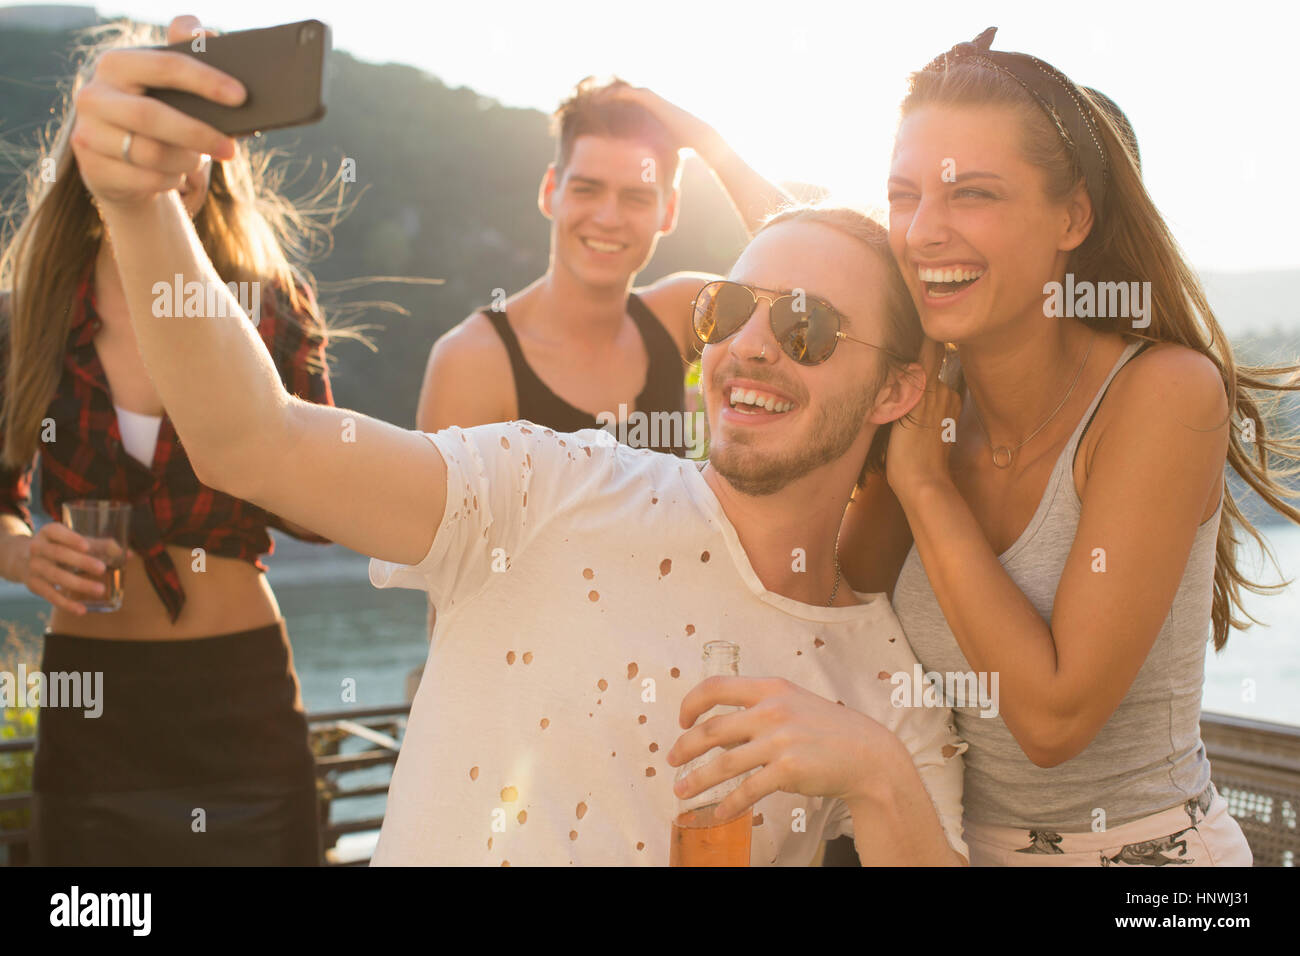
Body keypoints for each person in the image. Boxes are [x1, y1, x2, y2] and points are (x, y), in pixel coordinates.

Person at [75, 16, 969, 864]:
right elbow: (253, 442)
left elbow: (827, 254)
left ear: (898, 389)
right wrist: (140, 202)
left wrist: (877, 779)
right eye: (729, 309)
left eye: (809, 326)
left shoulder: (887, 693)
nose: (753, 345)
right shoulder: (544, 483)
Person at [842, 27, 1297, 865]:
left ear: (1073, 215)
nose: (921, 232)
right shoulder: (930, 405)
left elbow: (1054, 720)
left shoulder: (1164, 393)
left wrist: (928, 490)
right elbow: (843, 593)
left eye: (972, 194)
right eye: (905, 196)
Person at [0, 19, 342, 865]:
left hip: (243, 700)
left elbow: (323, 516)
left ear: (216, 152)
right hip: (94, 707)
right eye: (148, 126)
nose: (168, 158)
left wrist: (267, 437)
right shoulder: (26, 313)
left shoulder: (270, 307)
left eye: (188, 133)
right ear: (99, 141)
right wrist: (21, 555)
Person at [416, 79, 788, 457]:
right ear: (550, 191)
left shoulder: (677, 313)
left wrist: (705, 139)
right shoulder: (472, 361)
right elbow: (436, 516)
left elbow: (803, 257)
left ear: (669, 210)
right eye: (586, 190)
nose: (609, 218)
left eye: (636, 197)